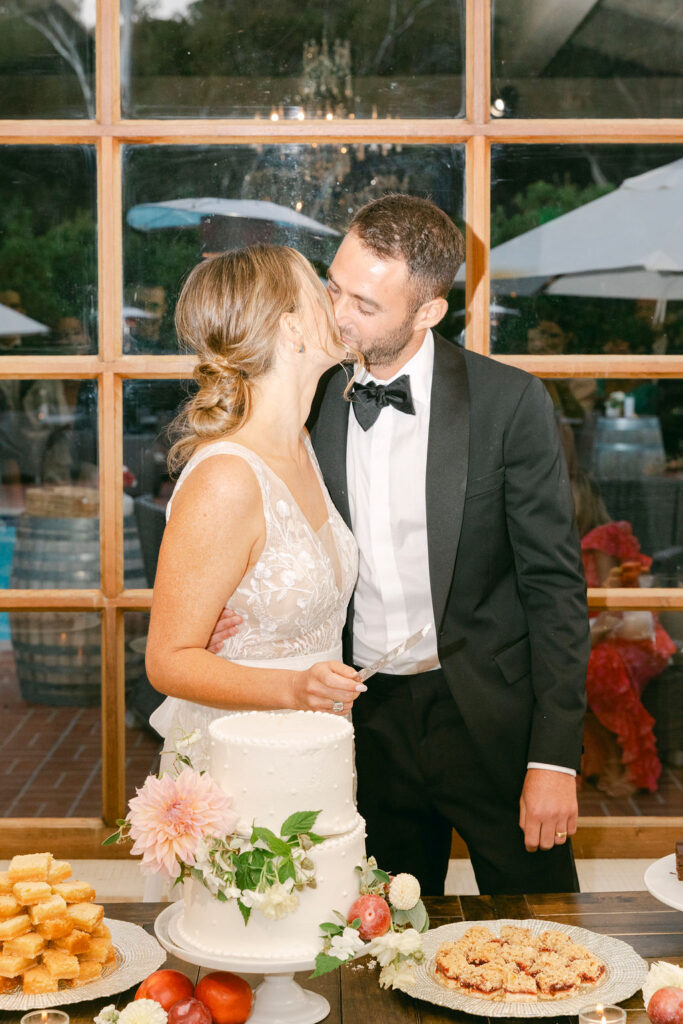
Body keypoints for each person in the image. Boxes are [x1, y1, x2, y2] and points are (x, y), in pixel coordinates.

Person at [212, 195, 590, 896]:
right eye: (332, 287)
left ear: (427, 313)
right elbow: (244, 517)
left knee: (542, 930)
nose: (337, 315)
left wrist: (554, 759)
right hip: (361, 718)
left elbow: (554, 591)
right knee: (380, 949)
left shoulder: (510, 405)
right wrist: (230, 613)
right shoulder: (303, 397)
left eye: (364, 303)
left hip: (493, 719)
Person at [144, 244, 364, 773]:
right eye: (322, 290)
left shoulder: (305, 444)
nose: (338, 304)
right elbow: (167, 661)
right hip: (242, 757)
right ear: (291, 328)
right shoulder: (227, 477)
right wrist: (295, 686)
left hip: (318, 750)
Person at [572, 469, 675, 795]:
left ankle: (623, 767)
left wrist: (592, 634)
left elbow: (611, 603)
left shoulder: (599, 538)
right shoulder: (578, 539)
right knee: (580, 669)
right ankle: (603, 762)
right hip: (603, 631)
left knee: (597, 669)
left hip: (624, 634)